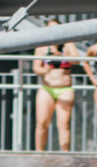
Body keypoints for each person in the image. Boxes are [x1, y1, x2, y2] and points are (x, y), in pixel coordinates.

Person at [33, 23, 80, 152]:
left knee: (63, 123)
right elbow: (36, 68)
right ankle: (39, 152)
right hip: (47, 87)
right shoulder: (42, 47)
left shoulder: (68, 44)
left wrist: (61, 56)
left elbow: (77, 60)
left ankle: (65, 153)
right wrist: (45, 69)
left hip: (64, 88)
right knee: (42, 123)